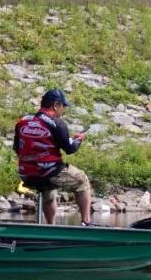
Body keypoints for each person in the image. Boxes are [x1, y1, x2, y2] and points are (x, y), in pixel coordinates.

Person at [13, 89, 93, 225]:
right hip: (49, 171)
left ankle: (51, 226)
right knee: (82, 180)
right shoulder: (57, 123)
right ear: (56, 105)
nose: (63, 110)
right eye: (63, 106)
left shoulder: (23, 122)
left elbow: (17, 147)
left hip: (26, 174)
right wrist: (79, 140)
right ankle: (86, 223)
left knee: (48, 190)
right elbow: (70, 149)